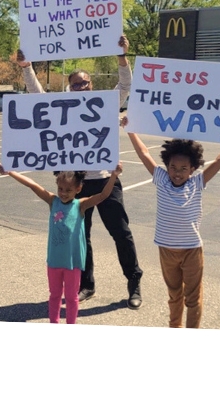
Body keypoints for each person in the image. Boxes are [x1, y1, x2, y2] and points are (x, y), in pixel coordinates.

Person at [16, 35, 143, 307]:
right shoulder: (64, 107)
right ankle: (86, 285)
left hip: (106, 180)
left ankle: (134, 284)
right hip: (76, 184)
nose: (80, 87)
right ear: (69, 88)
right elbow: (36, 95)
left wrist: (122, 56)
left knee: (121, 233)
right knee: (80, 237)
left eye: (84, 83)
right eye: (75, 84)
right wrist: (26, 67)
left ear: (91, 84)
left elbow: (126, 84)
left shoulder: (105, 103)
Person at [127, 128, 220, 328]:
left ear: (193, 168)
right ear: (166, 166)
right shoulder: (161, 179)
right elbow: (144, 154)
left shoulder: (197, 182)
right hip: (167, 250)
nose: (177, 173)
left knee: (193, 298)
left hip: (192, 250)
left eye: (183, 168)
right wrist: (131, 131)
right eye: (173, 167)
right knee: (174, 294)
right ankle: (175, 327)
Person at [0, 163, 123, 324]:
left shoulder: (80, 205)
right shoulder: (53, 201)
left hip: (73, 263)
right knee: (54, 295)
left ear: (78, 189)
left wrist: (113, 176)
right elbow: (32, 185)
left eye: (68, 190)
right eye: (61, 189)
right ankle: (54, 323)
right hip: (54, 262)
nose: (63, 193)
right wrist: (11, 173)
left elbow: (102, 196)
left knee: (71, 298)